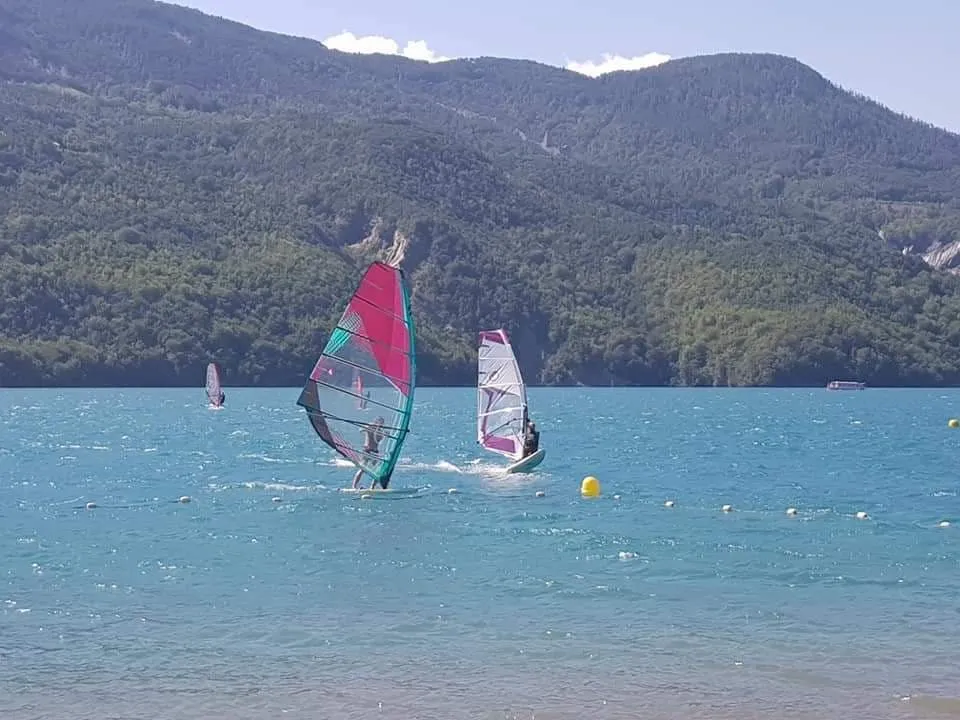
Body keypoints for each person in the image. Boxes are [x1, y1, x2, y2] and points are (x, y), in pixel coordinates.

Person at [352, 417, 385, 489]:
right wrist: (368, 428)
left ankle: (372, 487)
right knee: (362, 469)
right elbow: (361, 430)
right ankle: (354, 486)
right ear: (376, 421)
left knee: (377, 471)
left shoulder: (381, 431)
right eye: (380, 422)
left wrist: (381, 432)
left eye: (382, 423)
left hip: (375, 452)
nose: (381, 424)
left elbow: (379, 440)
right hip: (367, 451)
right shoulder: (370, 426)